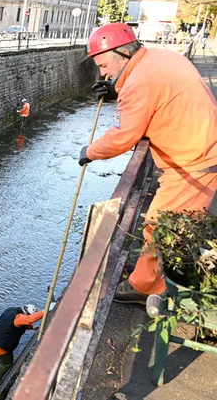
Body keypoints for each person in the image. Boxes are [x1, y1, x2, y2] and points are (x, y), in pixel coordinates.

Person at [79, 23, 217, 304]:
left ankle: (144, 287)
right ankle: (150, 277)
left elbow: (123, 136)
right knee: (170, 224)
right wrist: (117, 87)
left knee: (159, 224)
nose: (102, 72)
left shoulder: (139, 83)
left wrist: (90, 151)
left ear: (123, 54)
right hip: (200, 149)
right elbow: (155, 95)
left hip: (193, 163)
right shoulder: (159, 58)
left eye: (104, 65)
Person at [0, 304, 46, 393]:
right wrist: (45, 311)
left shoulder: (11, 310)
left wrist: (32, 328)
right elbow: (28, 320)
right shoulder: (20, 317)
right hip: (0, 346)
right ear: (27, 313)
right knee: (6, 363)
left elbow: (16, 324)